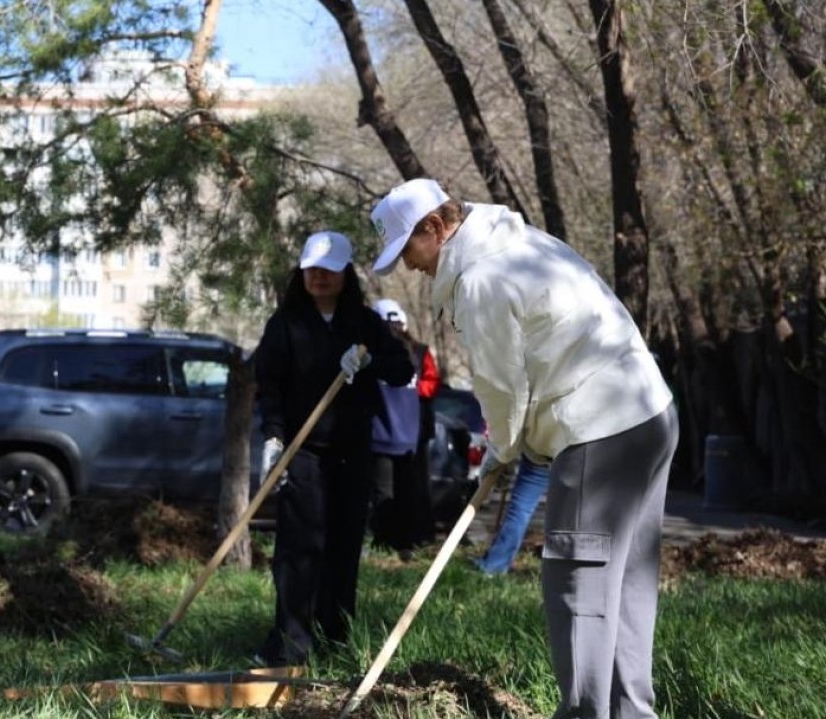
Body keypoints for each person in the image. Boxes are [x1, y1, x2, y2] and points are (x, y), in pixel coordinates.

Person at [371, 178, 678, 718]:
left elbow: (501, 385)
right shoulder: (519, 242)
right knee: (626, 582)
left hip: (598, 427)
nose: (409, 267)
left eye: (409, 250)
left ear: (436, 228)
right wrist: (515, 442)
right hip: (649, 414)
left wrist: (503, 446)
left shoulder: (483, 277)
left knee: (579, 587)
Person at [252, 231, 413, 667]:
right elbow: (268, 384)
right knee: (298, 547)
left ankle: (334, 639)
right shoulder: (285, 324)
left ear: (346, 273)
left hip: (351, 453)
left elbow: (402, 370)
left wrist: (369, 363)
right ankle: (290, 643)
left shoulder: (364, 324)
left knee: (342, 546)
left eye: (329, 269)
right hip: (301, 453)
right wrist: (273, 436)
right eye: (311, 269)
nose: (319, 277)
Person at [369, 299, 439, 555]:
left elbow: (431, 383)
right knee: (387, 489)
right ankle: (391, 542)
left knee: (405, 490)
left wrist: (414, 390)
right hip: (392, 434)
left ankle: (403, 539)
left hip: (408, 434)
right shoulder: (369, 352)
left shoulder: (417, 351)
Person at [476, 457, 551, 575]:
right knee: (574, 514)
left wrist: (501, 457)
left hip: (542, 456)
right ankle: (571, 568)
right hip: (579, 453)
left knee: (520, 509)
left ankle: (495, 566)